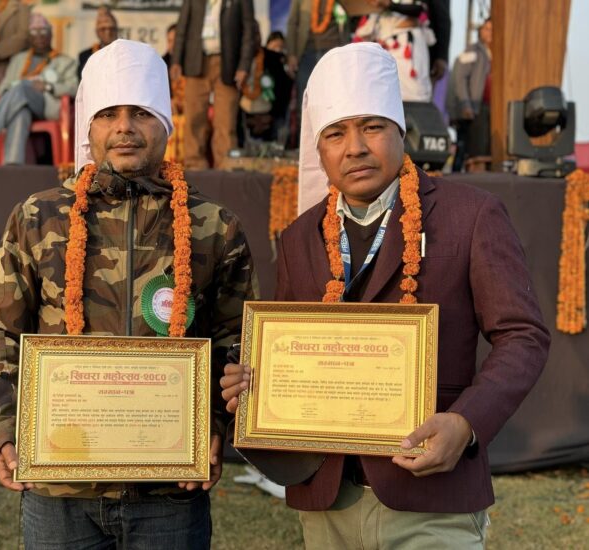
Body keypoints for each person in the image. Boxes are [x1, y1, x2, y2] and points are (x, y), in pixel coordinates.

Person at [221, 42, 550, 549]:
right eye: (335, 133)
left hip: (431, 497)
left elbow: (523, 335)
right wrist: (252, 382)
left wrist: (466, 423)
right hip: (327, 501)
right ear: (319, 150)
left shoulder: (470, 215)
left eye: (371, 127)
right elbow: (291, 351)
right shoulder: (299, 237)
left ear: (401, 131)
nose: (354, 147)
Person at [0, 38, 258, 548]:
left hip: (169, 491)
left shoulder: (215, 227)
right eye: (108, 114)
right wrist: (3, 429)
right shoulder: (37, 217)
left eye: (140, 113)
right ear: (90, 127)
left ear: (166, 124)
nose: (124, 127)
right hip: (59, 488)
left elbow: (235, 340)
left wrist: (215, 427)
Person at [0, 13, 77, 165]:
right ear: (29, 37)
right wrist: (16, 88)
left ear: (50, 35)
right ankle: (13, 166)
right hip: (18, 103)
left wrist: (48, 86)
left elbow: (74, 88)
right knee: (20, 111)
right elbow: (3, 87)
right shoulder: (19, 59)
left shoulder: (65, 61)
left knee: (23, 87)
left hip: (46, 104)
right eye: (34, 32)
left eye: (43, 32)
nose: (39, 36)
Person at [170, 0, 256, 169]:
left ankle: (225, 166)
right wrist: (176, 60)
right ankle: (194, 165)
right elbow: (182, 27)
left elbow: (249, 32)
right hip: (196, 61)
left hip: (227, 64)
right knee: (194, 117)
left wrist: (244, 66)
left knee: (226, 120)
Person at [286, 0, 348, 143]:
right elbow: (292, 23)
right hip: (307, 53)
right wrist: (291, 54)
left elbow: (351, 18)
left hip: (334, 53)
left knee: (334, 102)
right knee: (306, 102)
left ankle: (334, 143)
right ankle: (306, 145)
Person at [353, 0, 436, 101]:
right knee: (388, 94)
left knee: (414, 93)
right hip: (385, 47)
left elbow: (420, 10)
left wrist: (389, 5)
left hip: (408, 47)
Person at [447, 17, 492, 172]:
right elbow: (460, 78)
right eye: (487, 29)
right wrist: (465, 104)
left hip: (489, 109)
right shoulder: (473, 51)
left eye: (493, 30)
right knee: (467, 147)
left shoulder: (495, 53)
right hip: (474, 108)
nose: (490, 33)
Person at [77, 5, 118, 80]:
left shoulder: (126, 52)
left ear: (116, 30)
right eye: (103, 29)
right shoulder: (85, 55)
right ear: (97, 32)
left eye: (111, 28)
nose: (108, 32)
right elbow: (82, 80)